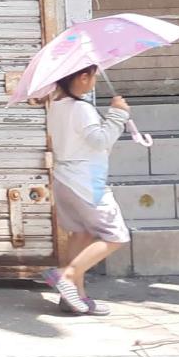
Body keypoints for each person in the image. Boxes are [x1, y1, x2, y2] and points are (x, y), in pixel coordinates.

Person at [42, 65, 132, 316]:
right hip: (86, 183)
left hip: (64, 181)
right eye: (92, 76)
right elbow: (99, 141)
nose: (93, 81)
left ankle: (74, 298)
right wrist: (118, 114)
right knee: (116, 236)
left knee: (80, 235)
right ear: (82, 77)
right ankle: (66, 275)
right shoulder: (81, 108)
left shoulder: (56, 106)